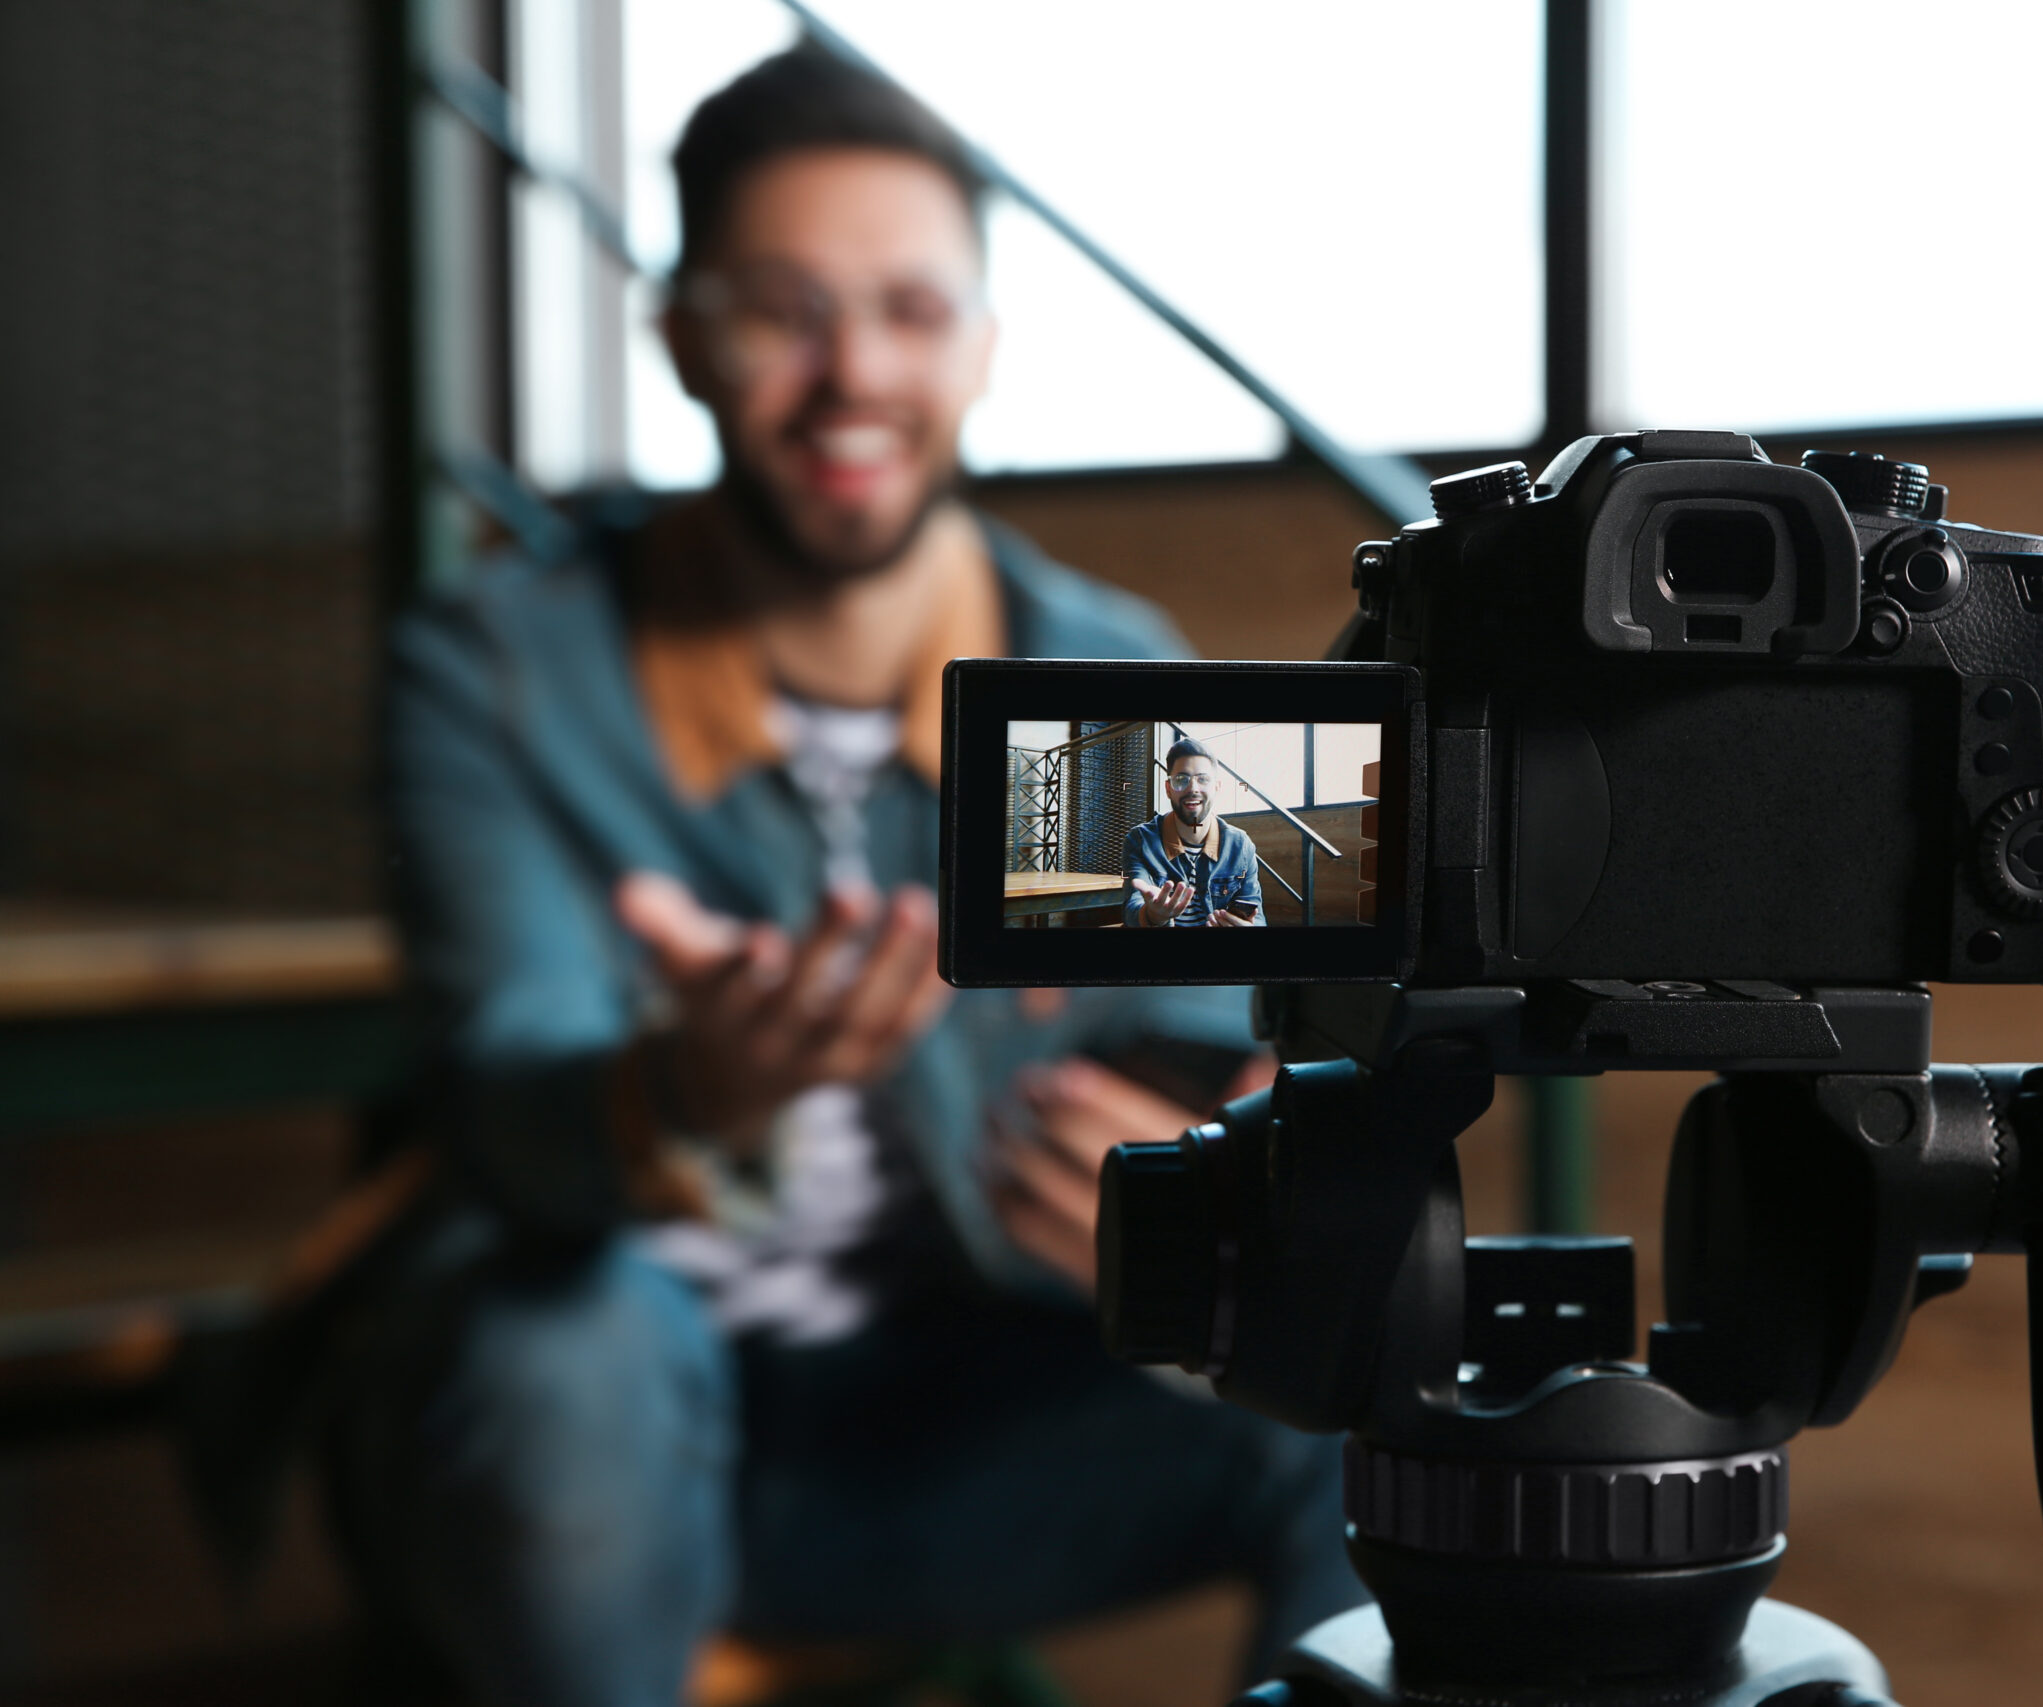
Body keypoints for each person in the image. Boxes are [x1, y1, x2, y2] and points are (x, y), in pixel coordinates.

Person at [338, 42, 1362, 1707]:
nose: (852, 373)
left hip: (960, 1415)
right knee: (559, 1355)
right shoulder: (504, 669)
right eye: (782, 307)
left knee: (1373, 1359)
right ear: (681, 335)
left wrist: (1204, 1184)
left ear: (982, 345)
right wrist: (684, 1081)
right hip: (597, 1419)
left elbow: (1223, 1045)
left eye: (909, 307)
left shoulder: (1100, 672)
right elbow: (504, 1107)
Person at [1125, 737, 1265, 928]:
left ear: (1216, 787)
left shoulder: (1241, 845)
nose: (1193, 789)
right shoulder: (1140, 840)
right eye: (1181, 779)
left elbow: (1257, 917)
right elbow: (1132, 908)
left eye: (1203, 779)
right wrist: (1154, 916)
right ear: (1168, 789)